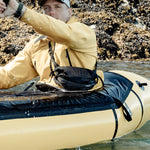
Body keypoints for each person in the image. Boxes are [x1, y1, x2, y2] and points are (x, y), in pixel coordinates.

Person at [0, 0, 103, 91]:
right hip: (52, 99)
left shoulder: (82, 32)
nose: (51, 12)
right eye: (46, 8)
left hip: (86, 99)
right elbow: (9, 75)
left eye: (57, 6)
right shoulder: (35, 45)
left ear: (69, 12)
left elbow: (61, 31)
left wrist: (20, 11)